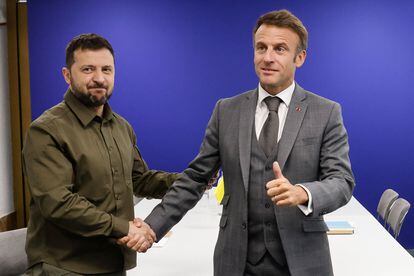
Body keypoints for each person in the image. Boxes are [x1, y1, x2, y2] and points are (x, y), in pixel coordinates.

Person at [144, 9, 355, 276]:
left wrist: (303, 192)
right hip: (237, 261)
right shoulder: (226, 110)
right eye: (261, 48)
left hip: (303, 261)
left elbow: (341, 181)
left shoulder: (326, 112)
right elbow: (196, 177)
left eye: (280, 49)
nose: (267, 57)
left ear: (299, 57)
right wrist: (153, 226)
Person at [22, 33, 180, 275]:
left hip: (113, 262)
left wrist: (193, 180)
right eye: (87, 69)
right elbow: (59, 203)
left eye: (107, 69)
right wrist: (124, 228)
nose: (99, 78)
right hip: (65, 265)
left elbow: (140, 180)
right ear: (67, 75)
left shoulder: (121, 127)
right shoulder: (46, 130)